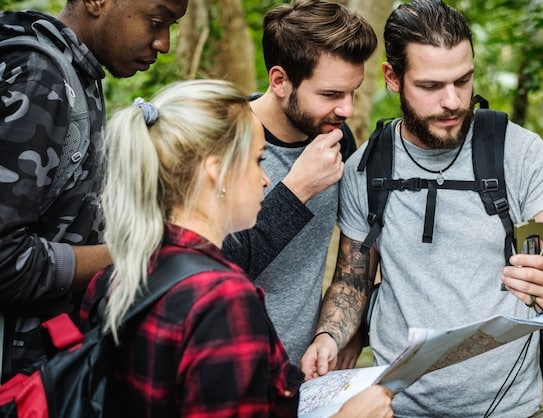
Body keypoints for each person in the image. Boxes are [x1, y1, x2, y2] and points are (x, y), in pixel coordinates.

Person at [300, 1, 543, 417]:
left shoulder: (519, 153)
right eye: (430, 85)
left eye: (463, 80)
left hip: (509, 408)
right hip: (394, 408)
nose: (453, 101)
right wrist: (328, 337)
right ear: (392, 77)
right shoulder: (366, 168)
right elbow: (352, 282)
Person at [78, 79, 393, 417]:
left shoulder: (118, 274)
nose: (266, 179)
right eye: (257, 160)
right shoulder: (224, 301)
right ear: (216, 171)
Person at [0, 0, 188, 382]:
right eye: (156, 21)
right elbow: (5, 260)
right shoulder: (40, 77)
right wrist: (136, 255)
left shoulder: (76, 71)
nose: (164, 43)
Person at [222, 0, 378, 365]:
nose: (348, 109)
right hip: (221, 368)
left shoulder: (336, 138)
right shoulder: (221, 139)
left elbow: (355, 259)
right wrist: (297, 190)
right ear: (279, 80)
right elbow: (204, 263)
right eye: (330, 94)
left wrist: (340, 331)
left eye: (352, 91)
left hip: (298, 373)